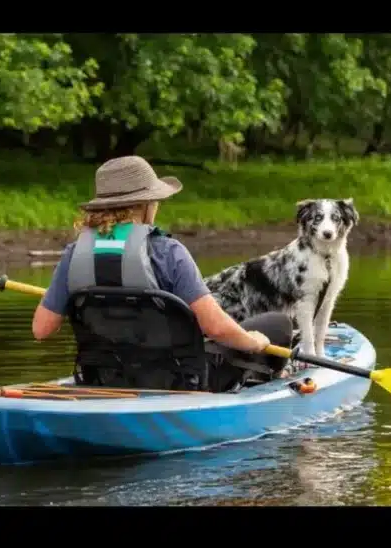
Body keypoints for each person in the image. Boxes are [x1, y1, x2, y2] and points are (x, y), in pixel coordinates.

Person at [31, 155, 293, 391]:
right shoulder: (169, 253)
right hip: (180, 382)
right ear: (145, 205)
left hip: (104, 378)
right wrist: (253, 342)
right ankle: (270, 389)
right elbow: (215, 327)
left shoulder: (73, 254)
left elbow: (41, 329)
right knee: (277, 324)